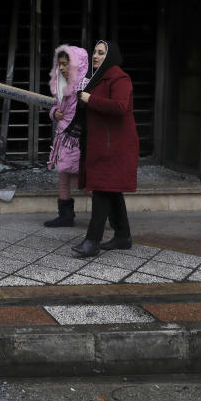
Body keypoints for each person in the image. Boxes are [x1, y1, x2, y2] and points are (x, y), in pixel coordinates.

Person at [72, 40, 139, 258]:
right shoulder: (96, 79)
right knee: (111, 190)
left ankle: (92, 241)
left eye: (101, 53)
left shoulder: (119, 78)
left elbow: (120, 107)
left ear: (110, 56)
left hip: (114, 147)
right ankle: (123, 236)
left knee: (102, 190)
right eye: (95, 52)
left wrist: (89, 98)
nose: (96, 56)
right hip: (103, 145)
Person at [43, 44, 89, 228]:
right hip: (64, 138)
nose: (61, 68)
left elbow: (88, 114)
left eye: (65, 64)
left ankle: (109, 209)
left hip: (76, 140)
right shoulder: (61, 85)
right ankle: (65, 216)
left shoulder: (84, 87)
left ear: (77, 65)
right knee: (63, 177)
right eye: (59, 64)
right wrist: (54, 114)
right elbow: (55, 106)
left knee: (79, 180)